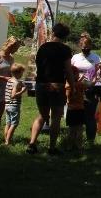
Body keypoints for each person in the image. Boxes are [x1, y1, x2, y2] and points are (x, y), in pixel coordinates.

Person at [27, 22, 75, 155]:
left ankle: (32, 144)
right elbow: (68, 70)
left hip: (41, 85)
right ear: (65, 36)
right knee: (55, 117)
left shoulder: (43, 47)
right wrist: (73, 86)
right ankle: (52, 148)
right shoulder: (65, 49)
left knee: (42, 115)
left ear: (53, 32)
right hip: (57, 86)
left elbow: (38, 66)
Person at [71, 32, 101, 145]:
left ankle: (90, 141)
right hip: (76, 90)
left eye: (87, 47)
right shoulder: (75, 57)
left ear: (91, 46)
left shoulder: (96, 57)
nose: (85, 49)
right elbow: (70, 72)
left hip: (91, 90)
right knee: (76, 115)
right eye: (83, 47)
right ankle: (76, 140)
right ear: (80, 46)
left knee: (90, 116)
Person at [64, 65, 88, 151]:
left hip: (70, 110)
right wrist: (95, 78)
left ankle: (69, 147)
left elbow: (74, 85)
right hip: (80, 110)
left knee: (71, 130)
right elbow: (89, 85)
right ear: (73, 74)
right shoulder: (81, 84)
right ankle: (79, 146)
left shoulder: (66, 86)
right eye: (78, 73)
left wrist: (80, 79)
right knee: (80, 130)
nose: (79, 75)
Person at [4, 63, 27, 145]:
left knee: (8, 123)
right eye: (22, 73)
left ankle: (6, 140)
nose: (22, 74)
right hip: (14, 105)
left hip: (7, 105)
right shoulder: (16, 83)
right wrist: (22, 91)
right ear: (18, 73)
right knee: (14, 124)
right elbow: (13, 95)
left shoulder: (9, 80)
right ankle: (8, 141)